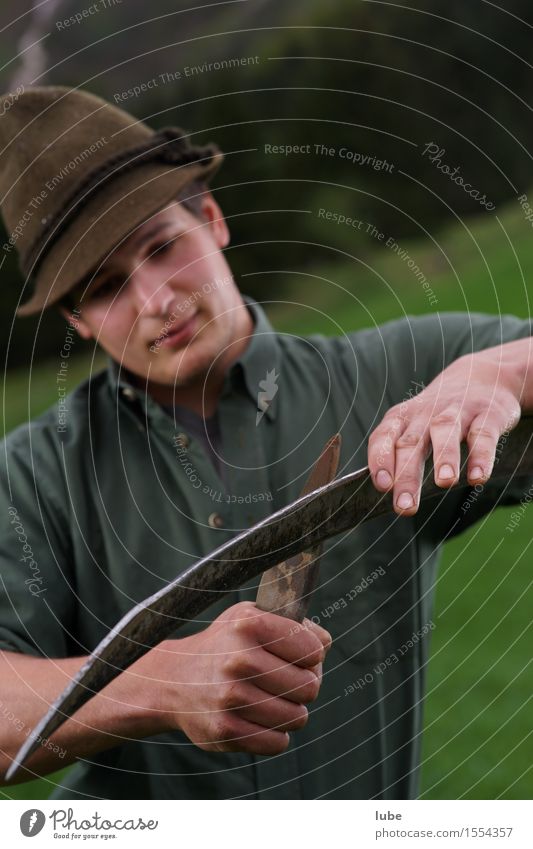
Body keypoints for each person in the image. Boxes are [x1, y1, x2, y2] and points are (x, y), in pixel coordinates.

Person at [0, 86, 531, 800]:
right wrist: (157, 684)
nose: (157, 299)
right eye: (107, 287)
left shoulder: (388, 375)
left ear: (211, 218)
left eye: (163, 247)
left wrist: (490, 372)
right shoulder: (34, 474)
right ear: (79, 321)